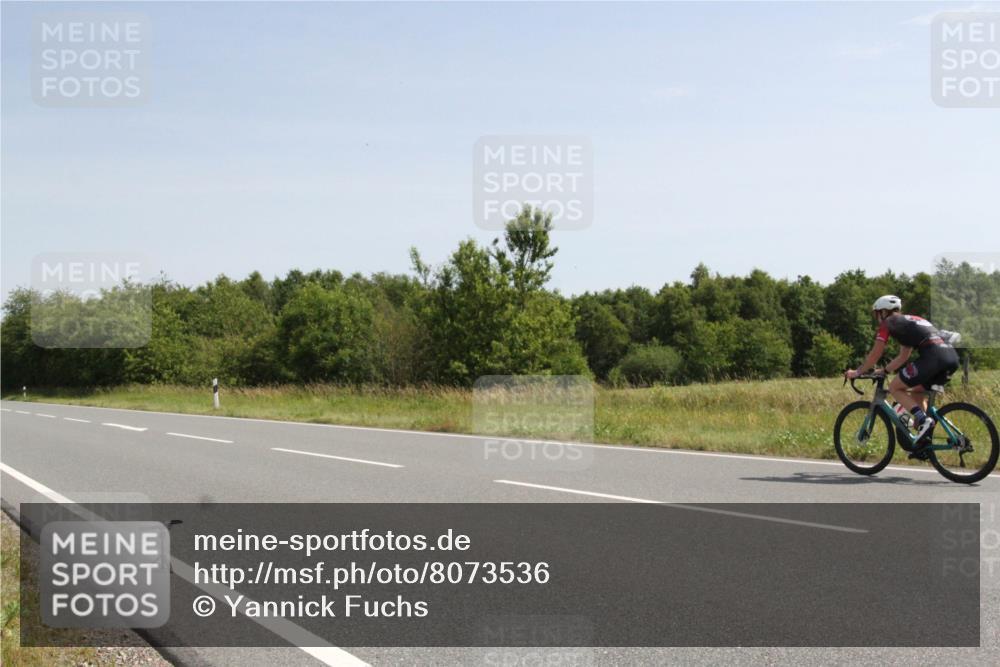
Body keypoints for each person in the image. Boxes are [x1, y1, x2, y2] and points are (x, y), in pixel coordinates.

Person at [844, 295, 960, 458]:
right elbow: (903, 356)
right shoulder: (909, 322)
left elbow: (876, 353)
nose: (877, 318)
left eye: (877, 314)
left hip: (933, 358)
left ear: (883, 312)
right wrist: (885, 371)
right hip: (951, 358)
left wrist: (858, 372)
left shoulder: (888, 323)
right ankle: (924, 442)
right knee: (917, 393)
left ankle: (923, 420)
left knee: (894, 387)